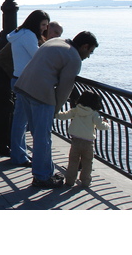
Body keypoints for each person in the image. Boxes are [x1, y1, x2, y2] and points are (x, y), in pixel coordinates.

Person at [13, 31, 99, 188]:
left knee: (36, 133)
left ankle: (44, 172)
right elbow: (64, 88)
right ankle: (42, 176)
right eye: (90, 51)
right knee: (42, 138)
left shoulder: (56, 41)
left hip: (23, 87)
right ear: (85, 46)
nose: (88, 56)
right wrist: (55, 110)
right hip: (41, 95)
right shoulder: (74, 58)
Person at [8, 10, 50, 165]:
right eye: (43, 24)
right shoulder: (29, 36)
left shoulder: (18, 34)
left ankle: (18, 153)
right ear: (35, 23)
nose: (45, 28)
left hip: (17, 79)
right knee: (23, 121)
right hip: (27, 81)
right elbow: (38, 56)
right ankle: (20, 156)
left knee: (20, 119)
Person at [56, 91, 109, 187]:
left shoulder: (76, 110)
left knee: (73, 162)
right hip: (88, 143)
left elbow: (63, 116)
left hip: (75, 141)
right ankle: (85, 181)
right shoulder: (94, 114)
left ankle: (70, 181)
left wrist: (55, 112)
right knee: (87, 163)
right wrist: (107, 124)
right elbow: (101, 126)